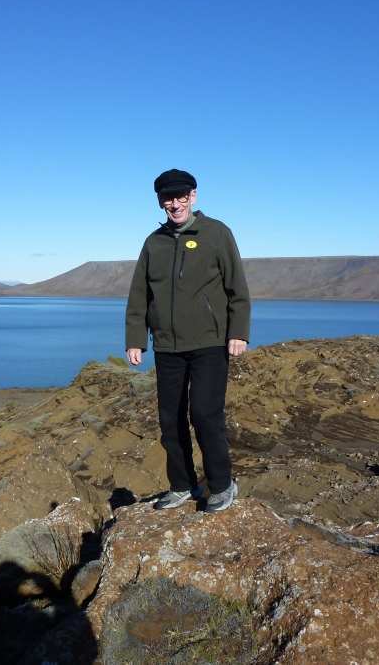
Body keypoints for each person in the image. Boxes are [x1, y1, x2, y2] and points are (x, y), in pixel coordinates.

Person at [125, 169, 251, 512]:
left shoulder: (216, 233)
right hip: (167, 345)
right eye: (168, 197)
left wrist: (238, 331)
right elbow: (139, 295)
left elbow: (237, 287)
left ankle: (222, 485)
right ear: (160, 201)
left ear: (193, 196)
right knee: (170, 420)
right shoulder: (154, 242)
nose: (175, 203)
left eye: (181, 196)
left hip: (209, 342)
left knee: (205, 414)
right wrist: (136, 339)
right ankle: (182, 485)